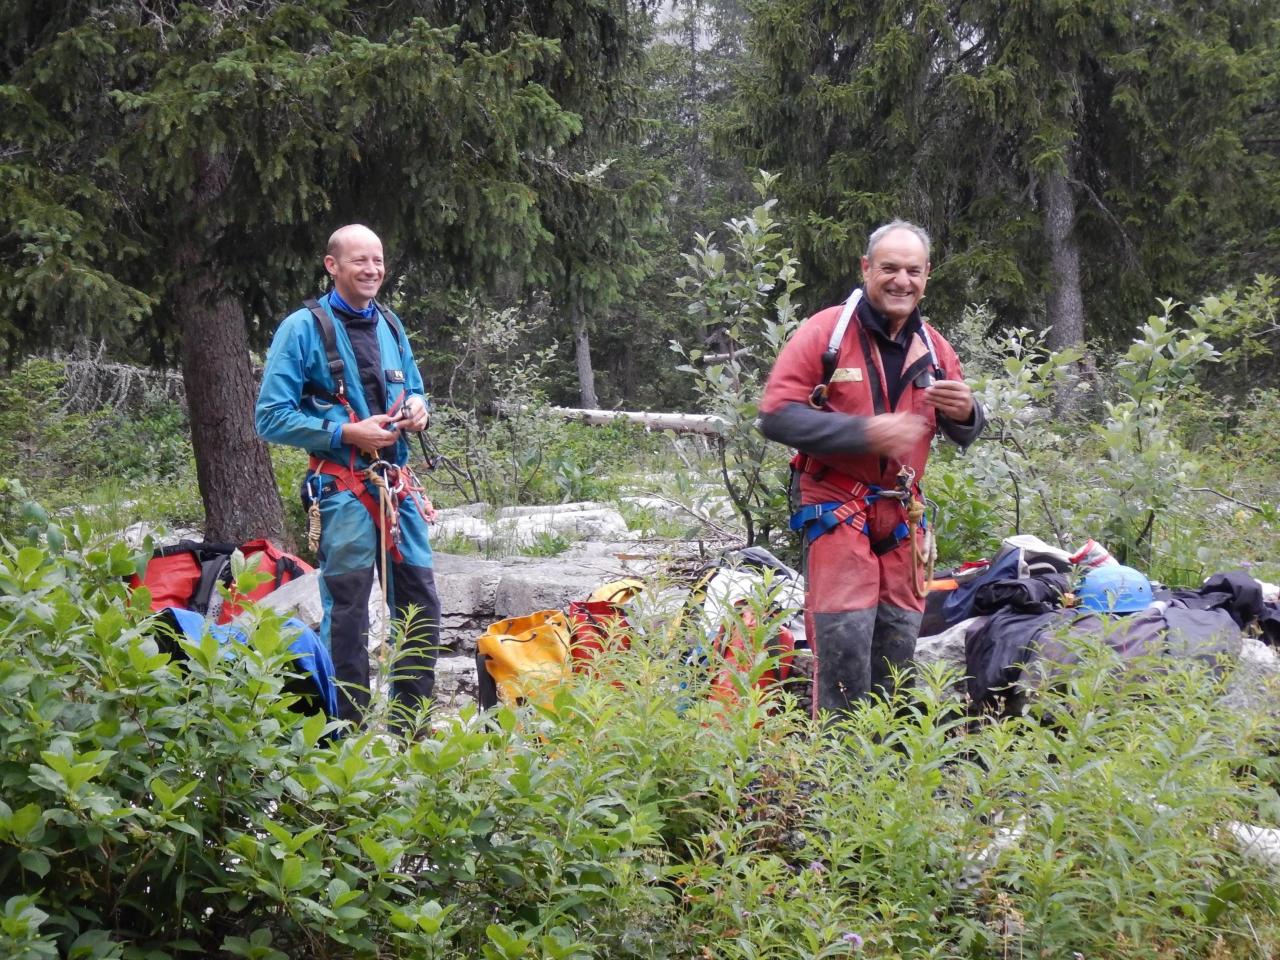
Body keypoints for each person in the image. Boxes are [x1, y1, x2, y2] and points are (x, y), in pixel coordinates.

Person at [758, 220, 985, 717]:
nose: (901, 280)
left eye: (913, 270)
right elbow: (774, 414)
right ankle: (838, 769)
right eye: (889, 268)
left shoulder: (935, 347)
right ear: (866, 269)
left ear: (926, 276)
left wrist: (967, 412)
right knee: (844, 641)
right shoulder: (826, 332)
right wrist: (864, 433)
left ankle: (885, 766)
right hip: (837, 504)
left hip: (903, 514)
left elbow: (966, 430)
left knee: (899, 641)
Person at [256, 223, 439, 728]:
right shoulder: (301, 329)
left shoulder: (390, 325)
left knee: (420, 603)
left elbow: (417, 388)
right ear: (332, 266)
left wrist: (420, 409)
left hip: (397, 488)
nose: (372, 270)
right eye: (359, 261)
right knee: (350, 612)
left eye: (378, 260)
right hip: (344, 490)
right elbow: (270, 418)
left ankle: (413, 727)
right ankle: (348, 732)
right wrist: (346, 434)